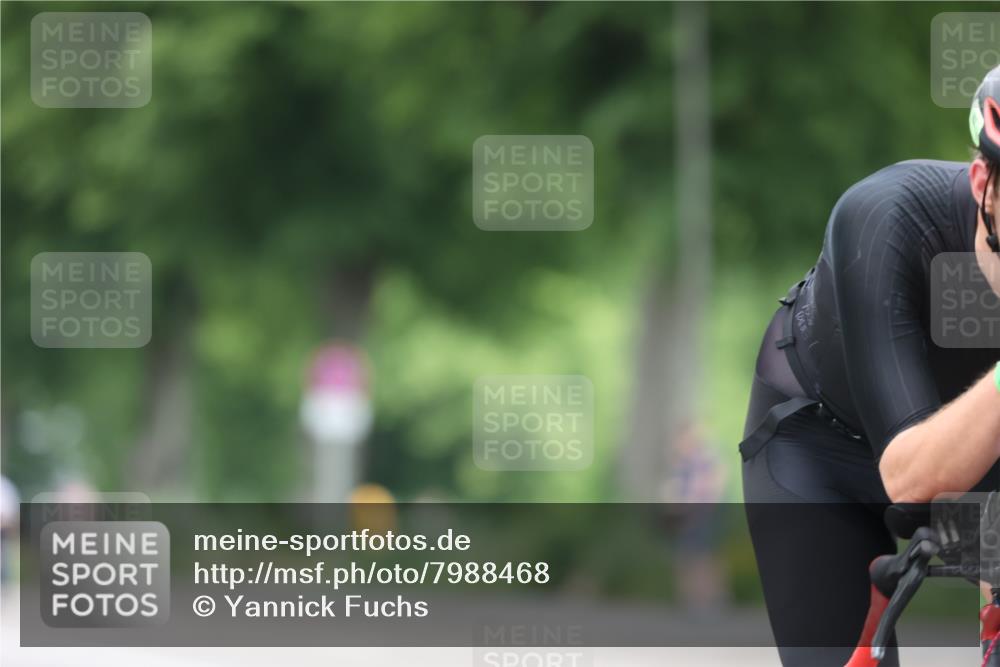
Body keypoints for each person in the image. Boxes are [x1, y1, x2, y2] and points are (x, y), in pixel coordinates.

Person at [739, 66, 1000, 667]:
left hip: (970, 459)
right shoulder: (886, 217)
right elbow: (911, 479)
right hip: (818, 449)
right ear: (983, 182)